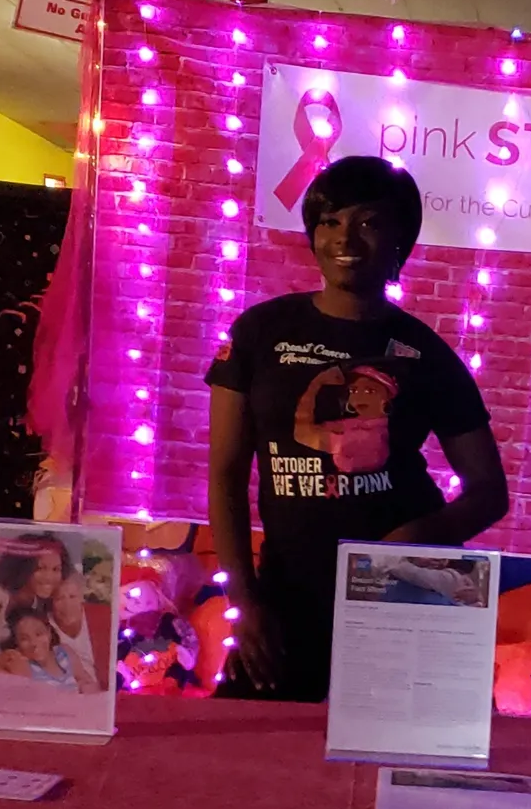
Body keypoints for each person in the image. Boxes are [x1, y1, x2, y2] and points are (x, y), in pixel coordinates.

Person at [207, 155, 509, 701]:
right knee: (253, 768)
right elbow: (226, 476)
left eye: (369, 222)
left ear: (401, 238)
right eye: (329, 221)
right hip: (288, 595)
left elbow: (490, 492)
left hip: (404, 590)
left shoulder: (427, 353)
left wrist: (412, 541)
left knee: (414, 761)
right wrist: (245, 602)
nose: (345, 237)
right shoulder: (260, 332)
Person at [0, 532, 73, 656]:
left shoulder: (39, 603)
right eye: (40, 568)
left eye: (56, 569)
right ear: (23, 567)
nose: (49, 577)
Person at [0, 608, 98, 694]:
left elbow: (86, 681)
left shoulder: (64, 652)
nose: (34, 643)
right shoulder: (21, 665)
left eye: (39, 634)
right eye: (24, 639)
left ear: (48, 633)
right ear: (17, 643)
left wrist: (86, 688)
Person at [49, 571, 113, 691]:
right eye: (59, 599)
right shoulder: (44, 626)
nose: (67, 605)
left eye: (72, 597)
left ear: (82, 597)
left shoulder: (104, 616)